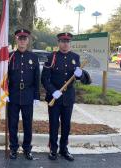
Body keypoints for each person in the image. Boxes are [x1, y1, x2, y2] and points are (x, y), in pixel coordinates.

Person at [41, 32, 91, 161]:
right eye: (63, 41)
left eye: (67, 41)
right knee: (53, 124)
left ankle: (64, 149)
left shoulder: (75, 57)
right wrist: (53, 91)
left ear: (70, 43)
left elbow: (83, 79)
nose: (65, 43)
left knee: (66, 125)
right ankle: (53, 149)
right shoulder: (51, 56)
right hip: (54, 98)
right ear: (58, 42)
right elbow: (45, 78)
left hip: (68, 97)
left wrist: (80, 74)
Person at [7, 29, 40, 160]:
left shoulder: (33, 57)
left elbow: (37, 78)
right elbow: (4, 76)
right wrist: (4, 93)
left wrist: (36, 96)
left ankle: (27, 149)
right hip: (13, 95)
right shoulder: (9, 56)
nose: (22, 41)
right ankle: (13, 148)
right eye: (20, 38)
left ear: (28, 40)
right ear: (16, 40)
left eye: (24, 38)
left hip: (28, 95)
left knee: (28, 124)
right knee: (12, 124)